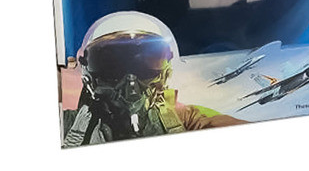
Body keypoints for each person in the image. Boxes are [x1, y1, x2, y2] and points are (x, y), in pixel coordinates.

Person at [62, 13, 245, 147]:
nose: (131, 83)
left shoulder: (185, 117)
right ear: (89, 75)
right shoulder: (68, 124)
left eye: (144, 65)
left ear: (165, 71)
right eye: (112, 66)